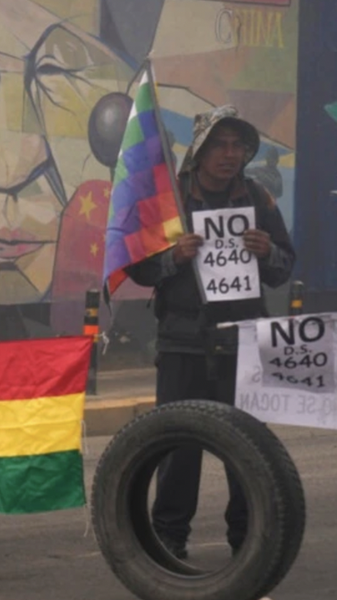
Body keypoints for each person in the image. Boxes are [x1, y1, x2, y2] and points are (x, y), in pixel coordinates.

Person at [124, 105, 296, 559]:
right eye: (220, 144)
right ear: (200, 151)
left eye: (238, 145)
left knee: (249, 450)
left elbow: (284, 267)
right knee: (179, 447)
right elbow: (139, 269)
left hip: (244, 342)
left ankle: (249, 545)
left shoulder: (258, 199)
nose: (230, 154)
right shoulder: (171, 203)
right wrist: (173, 258)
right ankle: (169, 541)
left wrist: (267, 253)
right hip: (184, 342)